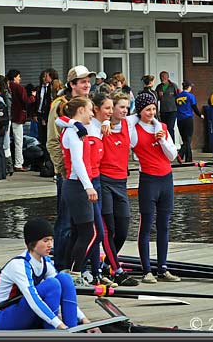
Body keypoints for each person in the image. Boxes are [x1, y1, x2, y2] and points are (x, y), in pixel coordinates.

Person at [0, 218, 99, 331]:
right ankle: (53, 331)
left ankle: (73, 327)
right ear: (32, 243)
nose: (50, 245)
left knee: (65, 278)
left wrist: (84, 319)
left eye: (51, 240)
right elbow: (33, 299)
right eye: (45, 241)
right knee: (52, 284)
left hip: (26, 312)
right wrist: (58, 324)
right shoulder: (18, 265)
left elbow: (64, 288)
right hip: (5, 318)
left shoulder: (45, 262)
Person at [46, 65, 93, 272]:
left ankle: (80, 264)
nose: (87, 84)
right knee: (65, 223)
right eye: (82, 81)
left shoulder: (87, 105)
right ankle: (61, 265)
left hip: (86, 174)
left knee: (81, 226)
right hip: (69, 175)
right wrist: (62, 169)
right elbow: (52, 141)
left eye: (88, 81)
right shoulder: (60, 105)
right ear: (72, 84)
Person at [130, 92, 180, 284]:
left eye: (153, 109)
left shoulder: (162, 128)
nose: (151, 113)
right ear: (140, 111)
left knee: (164, 226)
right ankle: (147, 270)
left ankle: (163, 268)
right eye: (147, 109)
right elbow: (125, 121)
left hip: (166, 180)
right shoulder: (134, 129)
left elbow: (172, 155)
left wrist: (163, 140)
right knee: (146, 225)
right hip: (149, 181)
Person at [99, 92, 139, 286]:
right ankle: (117, 270)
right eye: (121, 107)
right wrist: (104, 123)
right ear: (111, 108)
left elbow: (146, 115)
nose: (125, 110)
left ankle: (106, 263)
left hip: (121, 182)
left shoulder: (128, 123)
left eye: (126, 107)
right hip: (104, 180)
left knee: (123, 228)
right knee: (109, 229)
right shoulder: (100, 126)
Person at [58, 97, 97, 280]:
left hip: (74, 185)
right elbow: (77, 162)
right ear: (80, 110)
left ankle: (68, 271)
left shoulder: (74, 128)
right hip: (77, 185)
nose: (92, 113)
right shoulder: (73, 132)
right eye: (90, 110)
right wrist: (88, 187)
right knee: (89, 232)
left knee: (77, 232)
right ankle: (75, 272)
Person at [7, 69, 36, 172]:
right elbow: (25, 101)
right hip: (18, 117)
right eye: (18, 76)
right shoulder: (19, 87)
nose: (20, 78)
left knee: (5, 141)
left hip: (6, 117)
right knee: (18, 141)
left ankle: (6, 163)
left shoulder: (6, 86)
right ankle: (18, 164)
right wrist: (33, 97)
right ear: (14, 77)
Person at [175, 80, 204, 163]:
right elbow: (194, 107)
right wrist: (200, 115)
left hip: (180, 119)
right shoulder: (190, 96)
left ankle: (189, 158)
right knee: (188, 139)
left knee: (184, 139)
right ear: (189, 87)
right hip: (188, 118)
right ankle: (180, 154)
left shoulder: (177, 97)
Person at [0, 75, 14, 176]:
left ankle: (8, 166)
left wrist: (6, 124)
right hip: (5, 121)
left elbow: (8, 108)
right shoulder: (6, 92)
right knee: (5, 144)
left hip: (5, 121)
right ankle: (8, 167)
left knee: (5, 144)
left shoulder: (5, 93)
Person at [155, 71, 180, 142]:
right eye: (161, 77)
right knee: (164, 128)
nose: (162, 78)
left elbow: (178, 96)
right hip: (163, 111)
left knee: (170, 128)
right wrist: (159, 96)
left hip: (172, 110)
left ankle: (172, 144)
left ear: (167, 77)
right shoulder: (159, 87)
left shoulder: (173, 86)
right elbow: (156, 99)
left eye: (163, 76)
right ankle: (165, 143)